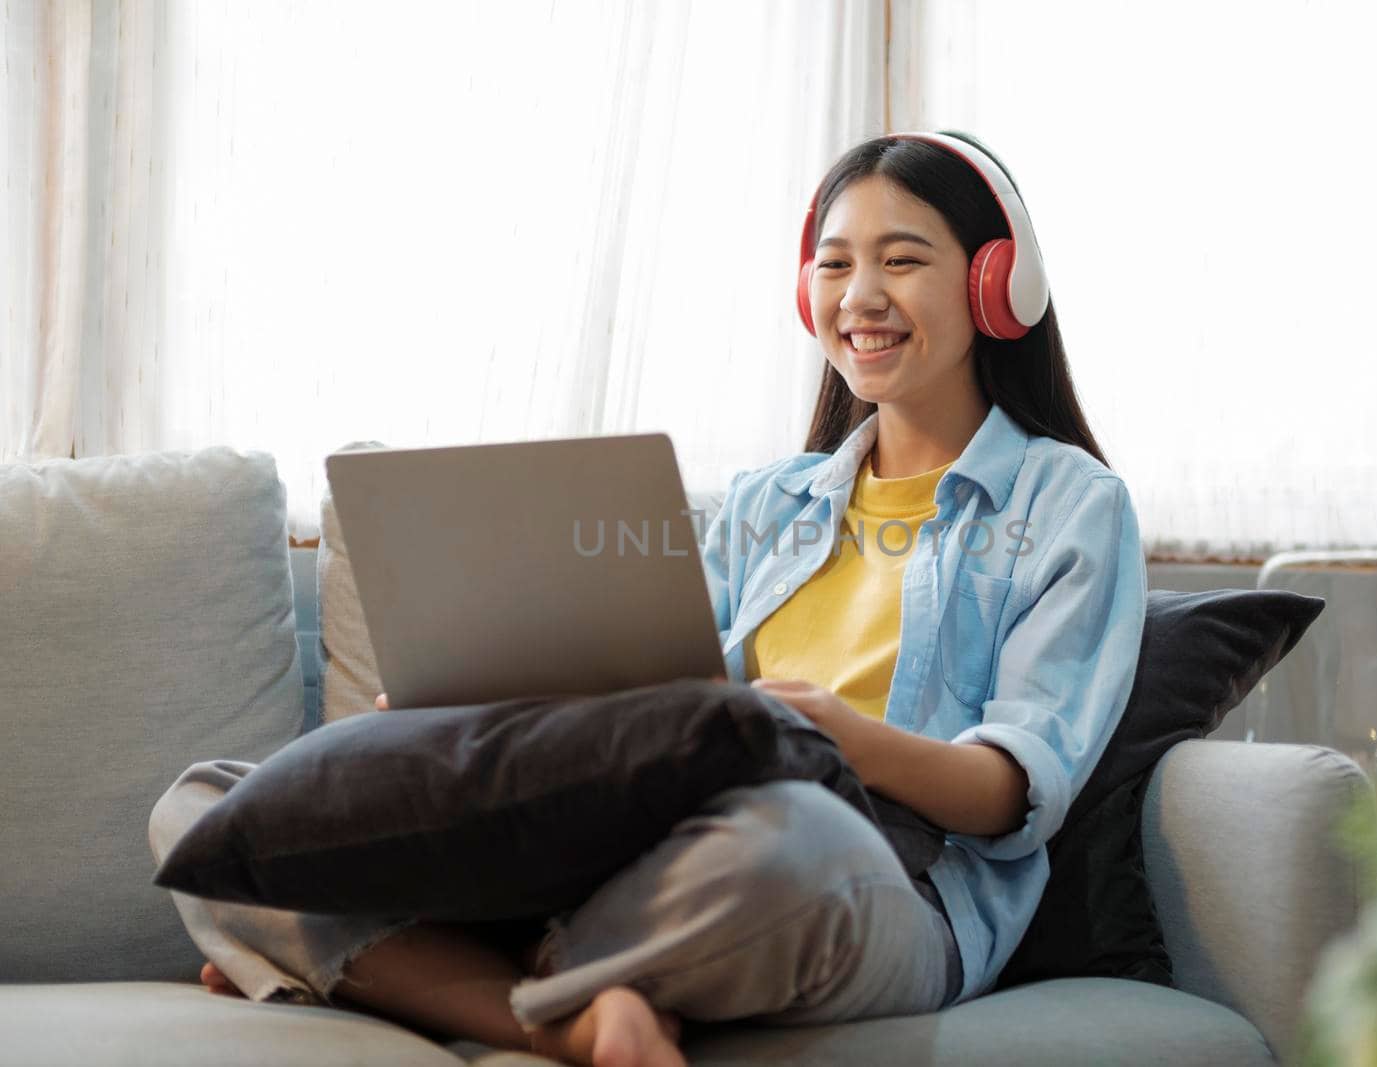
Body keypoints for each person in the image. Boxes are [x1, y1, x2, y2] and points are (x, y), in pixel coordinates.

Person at [152, 130, 1147, 1067]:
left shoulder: (1068, 504)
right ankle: (583, 1019)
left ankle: (411, 965)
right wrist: (471, 711)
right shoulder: (770, 501)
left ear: (992, 285)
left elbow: (1016, 788)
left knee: (783, 848)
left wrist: (839, 733)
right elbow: (656, 687)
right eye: (835, 263)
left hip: (878, 875)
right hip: (648, 837)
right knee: (211, 812)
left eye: (901, 259)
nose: (860, 295)